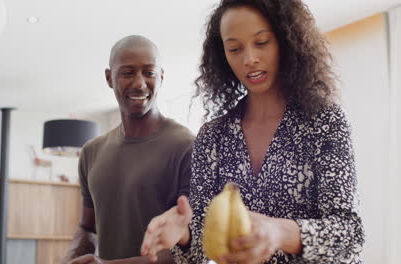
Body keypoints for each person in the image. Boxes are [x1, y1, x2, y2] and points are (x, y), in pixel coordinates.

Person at [140, 0, 365, 263]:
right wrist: (184, 235)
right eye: (234, 48)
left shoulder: (324, 121)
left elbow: (350, 236)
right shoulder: (213, 137)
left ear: (286, 41)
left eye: (261, 42)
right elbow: (203, 251)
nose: (249, 59)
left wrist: (279, 231)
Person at [61, 35, 195, 264]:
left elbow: (191, 249)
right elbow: (87, 228)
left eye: (149, 72)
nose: (140, 83)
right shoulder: (92, 152)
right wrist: (72, 258)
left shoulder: (186, 146)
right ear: (109, 77)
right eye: (128, 72)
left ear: (161, 77)